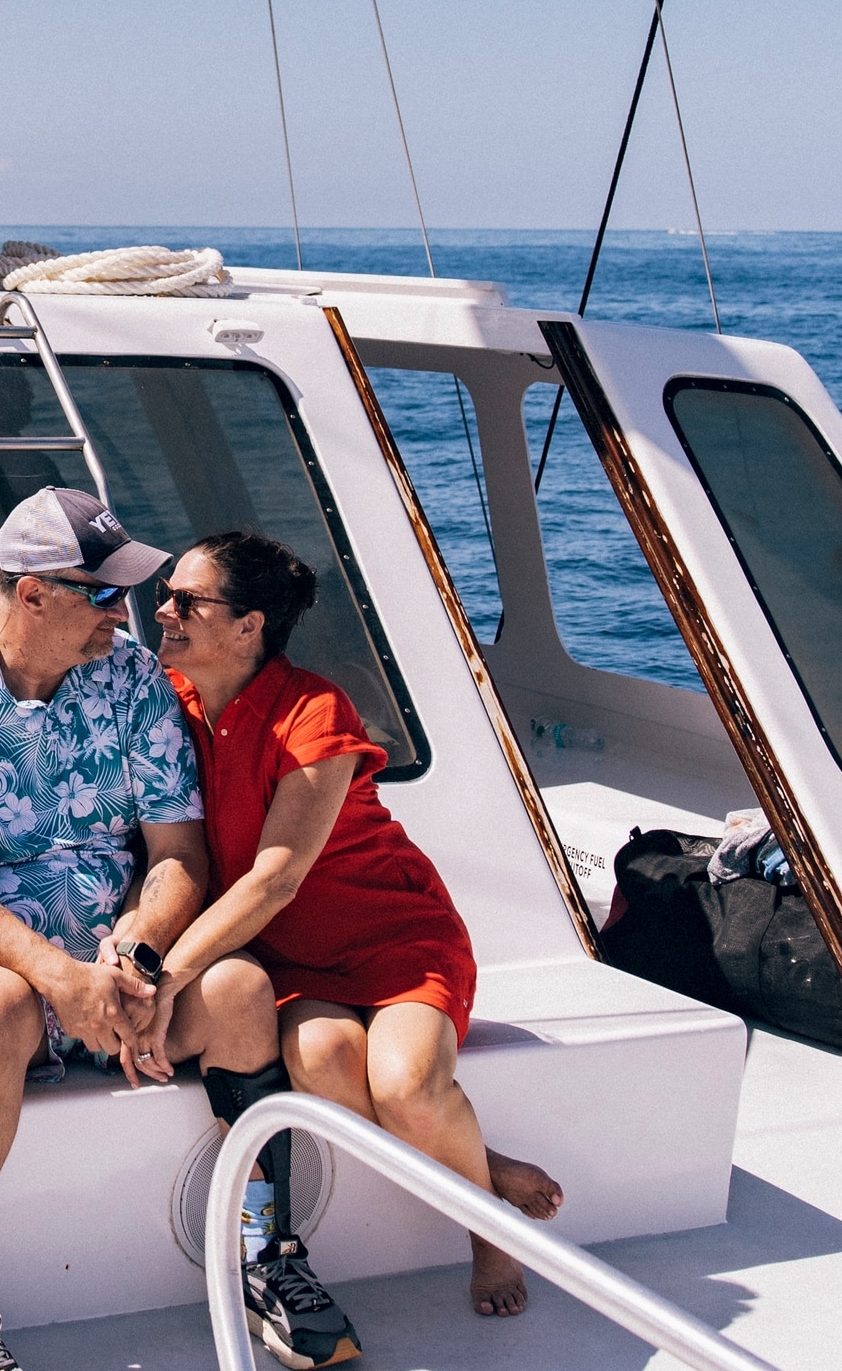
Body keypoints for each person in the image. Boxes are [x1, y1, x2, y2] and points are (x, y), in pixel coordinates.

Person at [0, 484, 352, 1371]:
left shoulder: (129, 680)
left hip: (109, 958)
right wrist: (61, 978)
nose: (126, 614)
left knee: (240, 989)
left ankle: (263, 1249)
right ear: (32, 593)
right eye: (101, 594)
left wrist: (134, 958)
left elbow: (178, 855)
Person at [151, 529, 562, 1321]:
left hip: (392, 939)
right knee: (321, 1063)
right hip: (293, 959)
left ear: (249, 625)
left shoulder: (313, 709)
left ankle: (490, 1236)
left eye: (187, 600)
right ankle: (487, 1166)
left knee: (407, 1087)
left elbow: (275, 878)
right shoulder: (168, 703)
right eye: (165, 594)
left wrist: (168, 974)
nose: (163, 610)